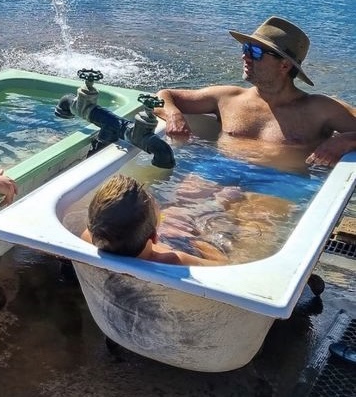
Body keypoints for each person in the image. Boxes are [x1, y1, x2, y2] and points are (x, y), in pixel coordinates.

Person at [156, 16, 356, 168]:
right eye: (246, 48)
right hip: (219, 170)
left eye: (256, 52)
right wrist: (173, 115)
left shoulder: (320, 109)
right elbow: (164, 95)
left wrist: (345, 140)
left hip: (278, 183)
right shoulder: (227, 97)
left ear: (285, 65)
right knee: (175, 210)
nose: (245, 57)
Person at [81, 174, 228, 266]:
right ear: (155, 236)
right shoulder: (174, 260)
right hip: (181, 243)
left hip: (144, 237)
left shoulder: (89, 237)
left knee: (173, 214)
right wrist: (200, 242)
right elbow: (222, 265)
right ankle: (219, 201)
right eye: (153, 202)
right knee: (228, 199)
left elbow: (109, 222)